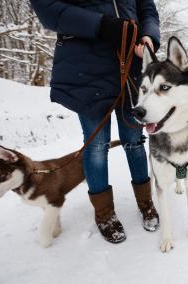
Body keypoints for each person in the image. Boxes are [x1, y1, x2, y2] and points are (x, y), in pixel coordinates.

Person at [29, 0, 160, 243]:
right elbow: (46, 8)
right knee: (97, 146)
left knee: (134, 141)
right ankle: (104, 213)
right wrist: (99, 25)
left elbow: (147, 9)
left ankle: (146, 202)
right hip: (86, 68)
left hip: (131, 66)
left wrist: (149, 35)